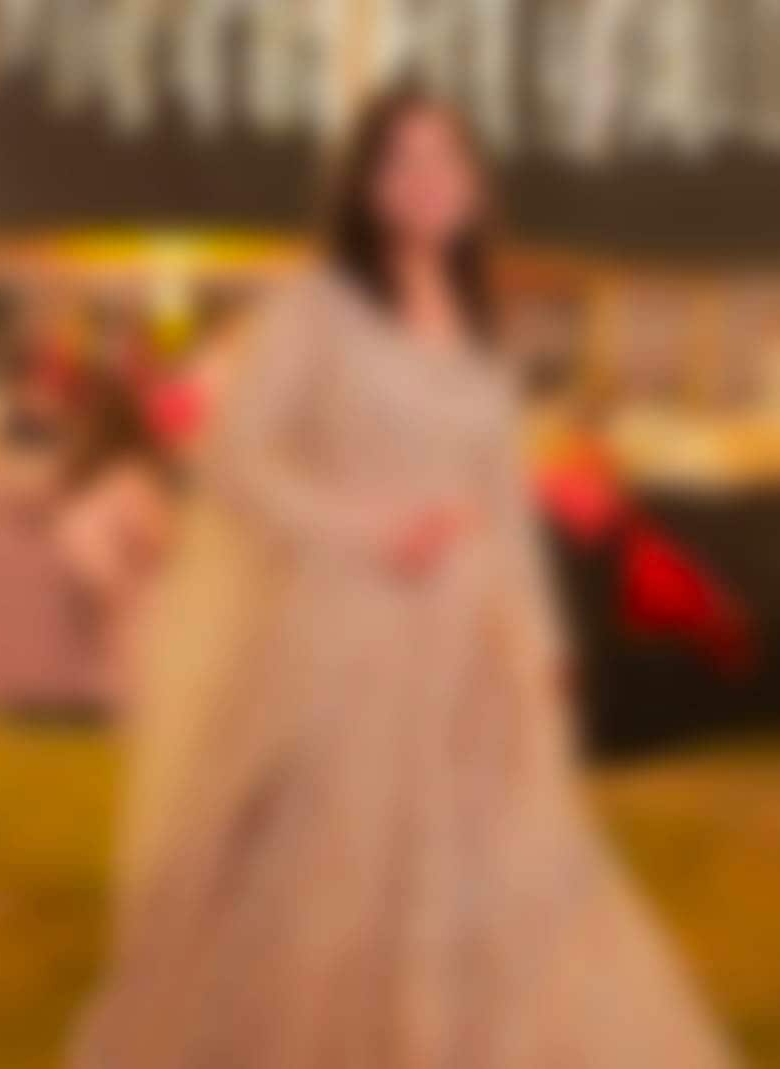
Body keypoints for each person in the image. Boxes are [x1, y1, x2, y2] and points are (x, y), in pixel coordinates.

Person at [73, 87, 735, 1067]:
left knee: (510, 884)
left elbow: (499, 499)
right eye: (400, 160)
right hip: (344, 639)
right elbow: (240, 460)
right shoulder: (316, 309)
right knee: (325, 874)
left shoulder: (480, 325)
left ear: (471, 182)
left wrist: (541, 640)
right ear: (364, 184)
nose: (425, 180)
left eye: (442, 159)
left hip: (469, 651)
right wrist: (364, 526)